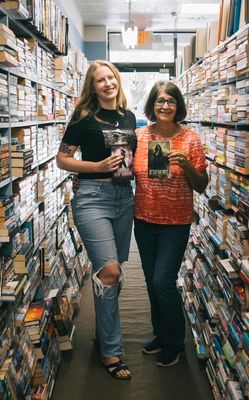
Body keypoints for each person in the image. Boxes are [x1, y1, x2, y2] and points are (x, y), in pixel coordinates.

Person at [56, 60, 136, 379]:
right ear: (92, 87)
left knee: (107, 271)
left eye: (110, 77)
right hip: (91, 197)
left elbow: (131, 157)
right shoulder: (83, 117)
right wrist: (96, 167)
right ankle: (112, 352)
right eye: (99, 80)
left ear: (117, 80)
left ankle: (103, 331)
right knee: (111, 272)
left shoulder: (127, 116)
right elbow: (63, 159)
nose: (106, 83)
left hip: (123, 197)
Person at [133, 80, 208, 367]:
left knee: (163, 281)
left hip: (176, 222)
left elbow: (201, 186)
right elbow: (128, 169)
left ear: (178, 106)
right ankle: (161, 334)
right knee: (152, 283)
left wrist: (186, 163)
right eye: (160, 101)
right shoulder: (139, 136)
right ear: (152, 104)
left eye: (171, 101)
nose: (165, 106)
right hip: (143, 219)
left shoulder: (190, 139)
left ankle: (175, 342)